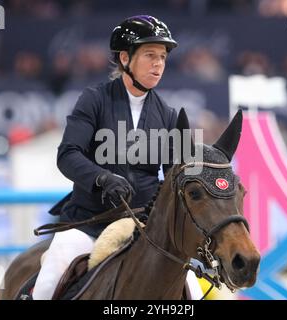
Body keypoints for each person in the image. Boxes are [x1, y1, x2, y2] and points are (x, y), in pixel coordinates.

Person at [32, 15, 203, 300]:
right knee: (52, 274)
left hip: (144, 228)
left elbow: (176, 177)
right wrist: (101, 177)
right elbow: (68, 154)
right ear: (125, 58)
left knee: (194, 294)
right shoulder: (94, 100)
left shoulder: (169, 116)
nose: (158, 63)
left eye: (162, 56)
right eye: (150, 55)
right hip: (89, 223)